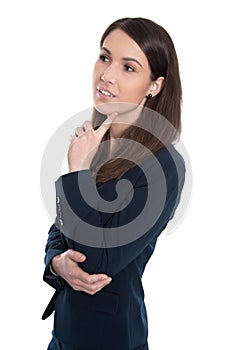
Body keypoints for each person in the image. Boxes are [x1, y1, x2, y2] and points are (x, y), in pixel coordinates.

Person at [42, 17, 186, 350]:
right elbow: (60, 227)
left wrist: (76, 171)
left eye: (128, 68)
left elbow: (98, 261)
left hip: (111, 339)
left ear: (155, 86)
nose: (106, 75)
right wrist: (56, 262)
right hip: (64, 335)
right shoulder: (98, 143)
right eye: (105, 57)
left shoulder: (163, 167)